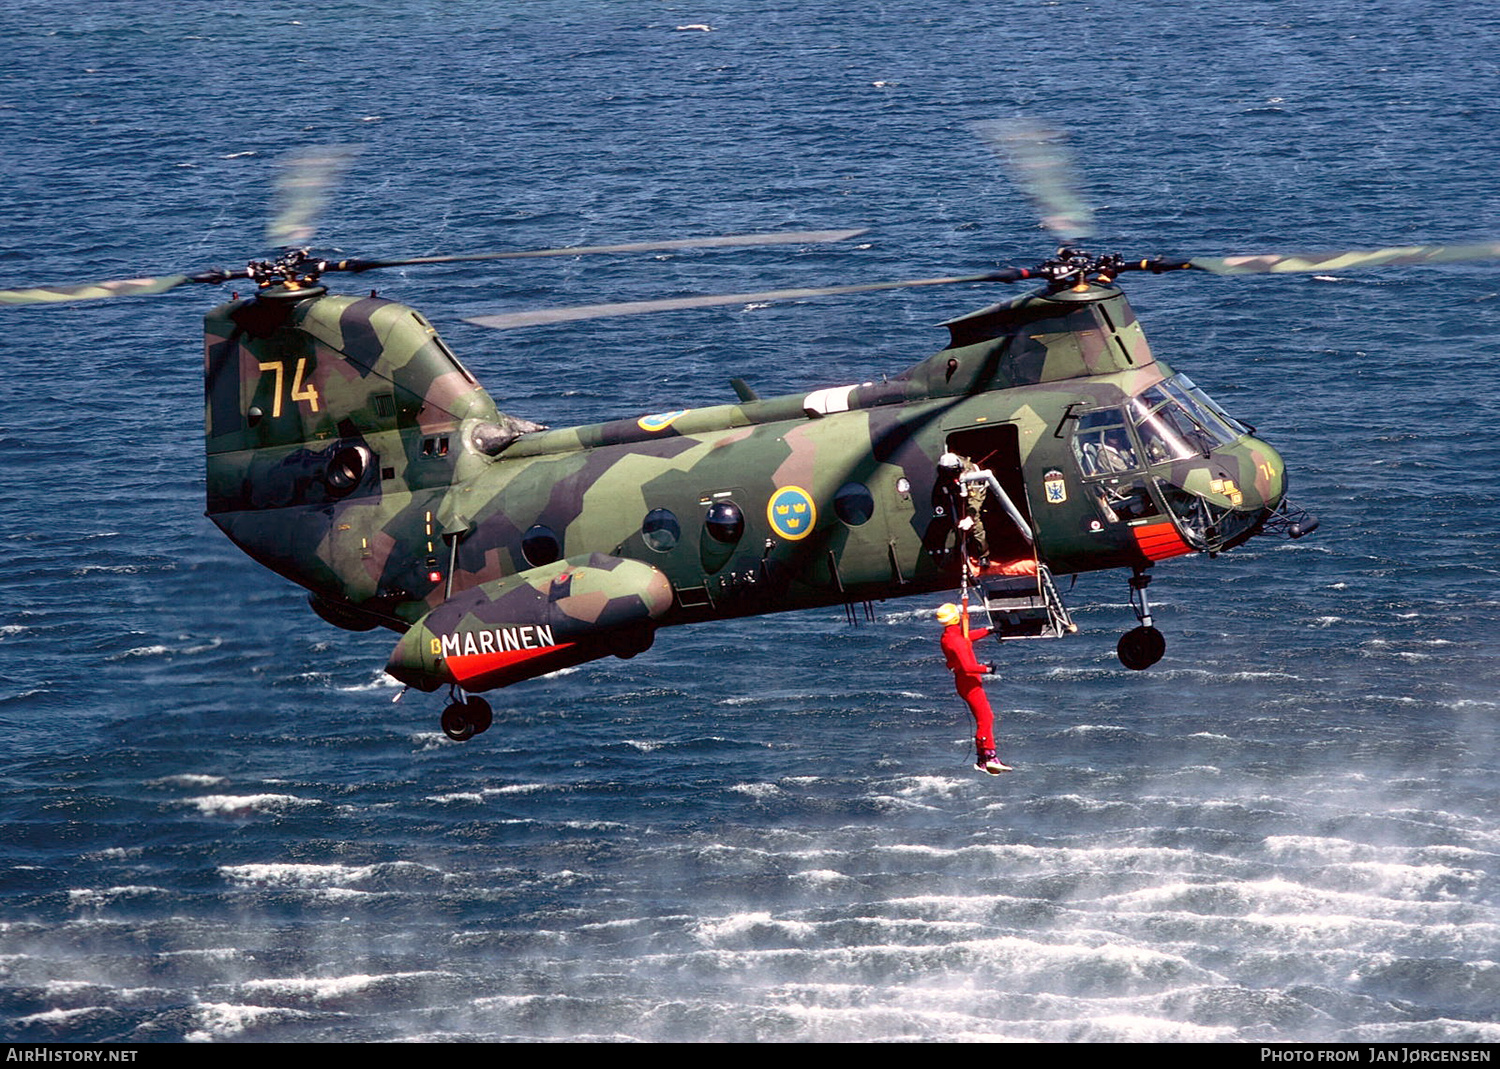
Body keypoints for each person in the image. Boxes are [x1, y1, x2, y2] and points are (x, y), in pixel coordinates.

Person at [935, 602, 1012, 774]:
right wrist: (987, 669)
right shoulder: (955, 640)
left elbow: (966, 637)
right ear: (955, 617)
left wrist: (988, 630)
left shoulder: (949, 636)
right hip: (969, 682)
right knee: (986, 718)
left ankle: (982, 759)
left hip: (964, 682)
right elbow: (969, 666)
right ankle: (990, 756)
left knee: (984, 718)